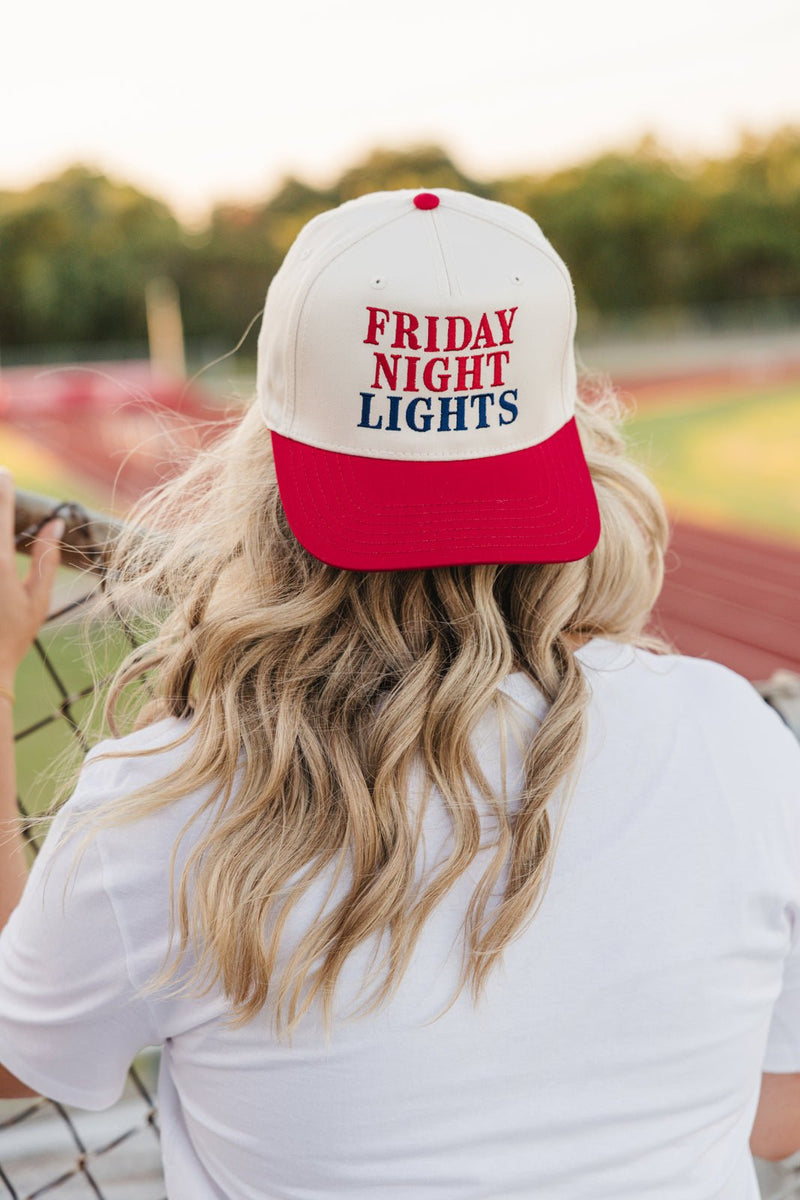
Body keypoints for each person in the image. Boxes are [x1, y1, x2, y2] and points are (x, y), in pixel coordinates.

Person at [0, 188, 798, 1200]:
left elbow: (22, 1056)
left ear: (266, 472)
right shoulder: (735, 736)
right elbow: (773, 1115)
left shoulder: (169, 798)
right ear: (568, 451)